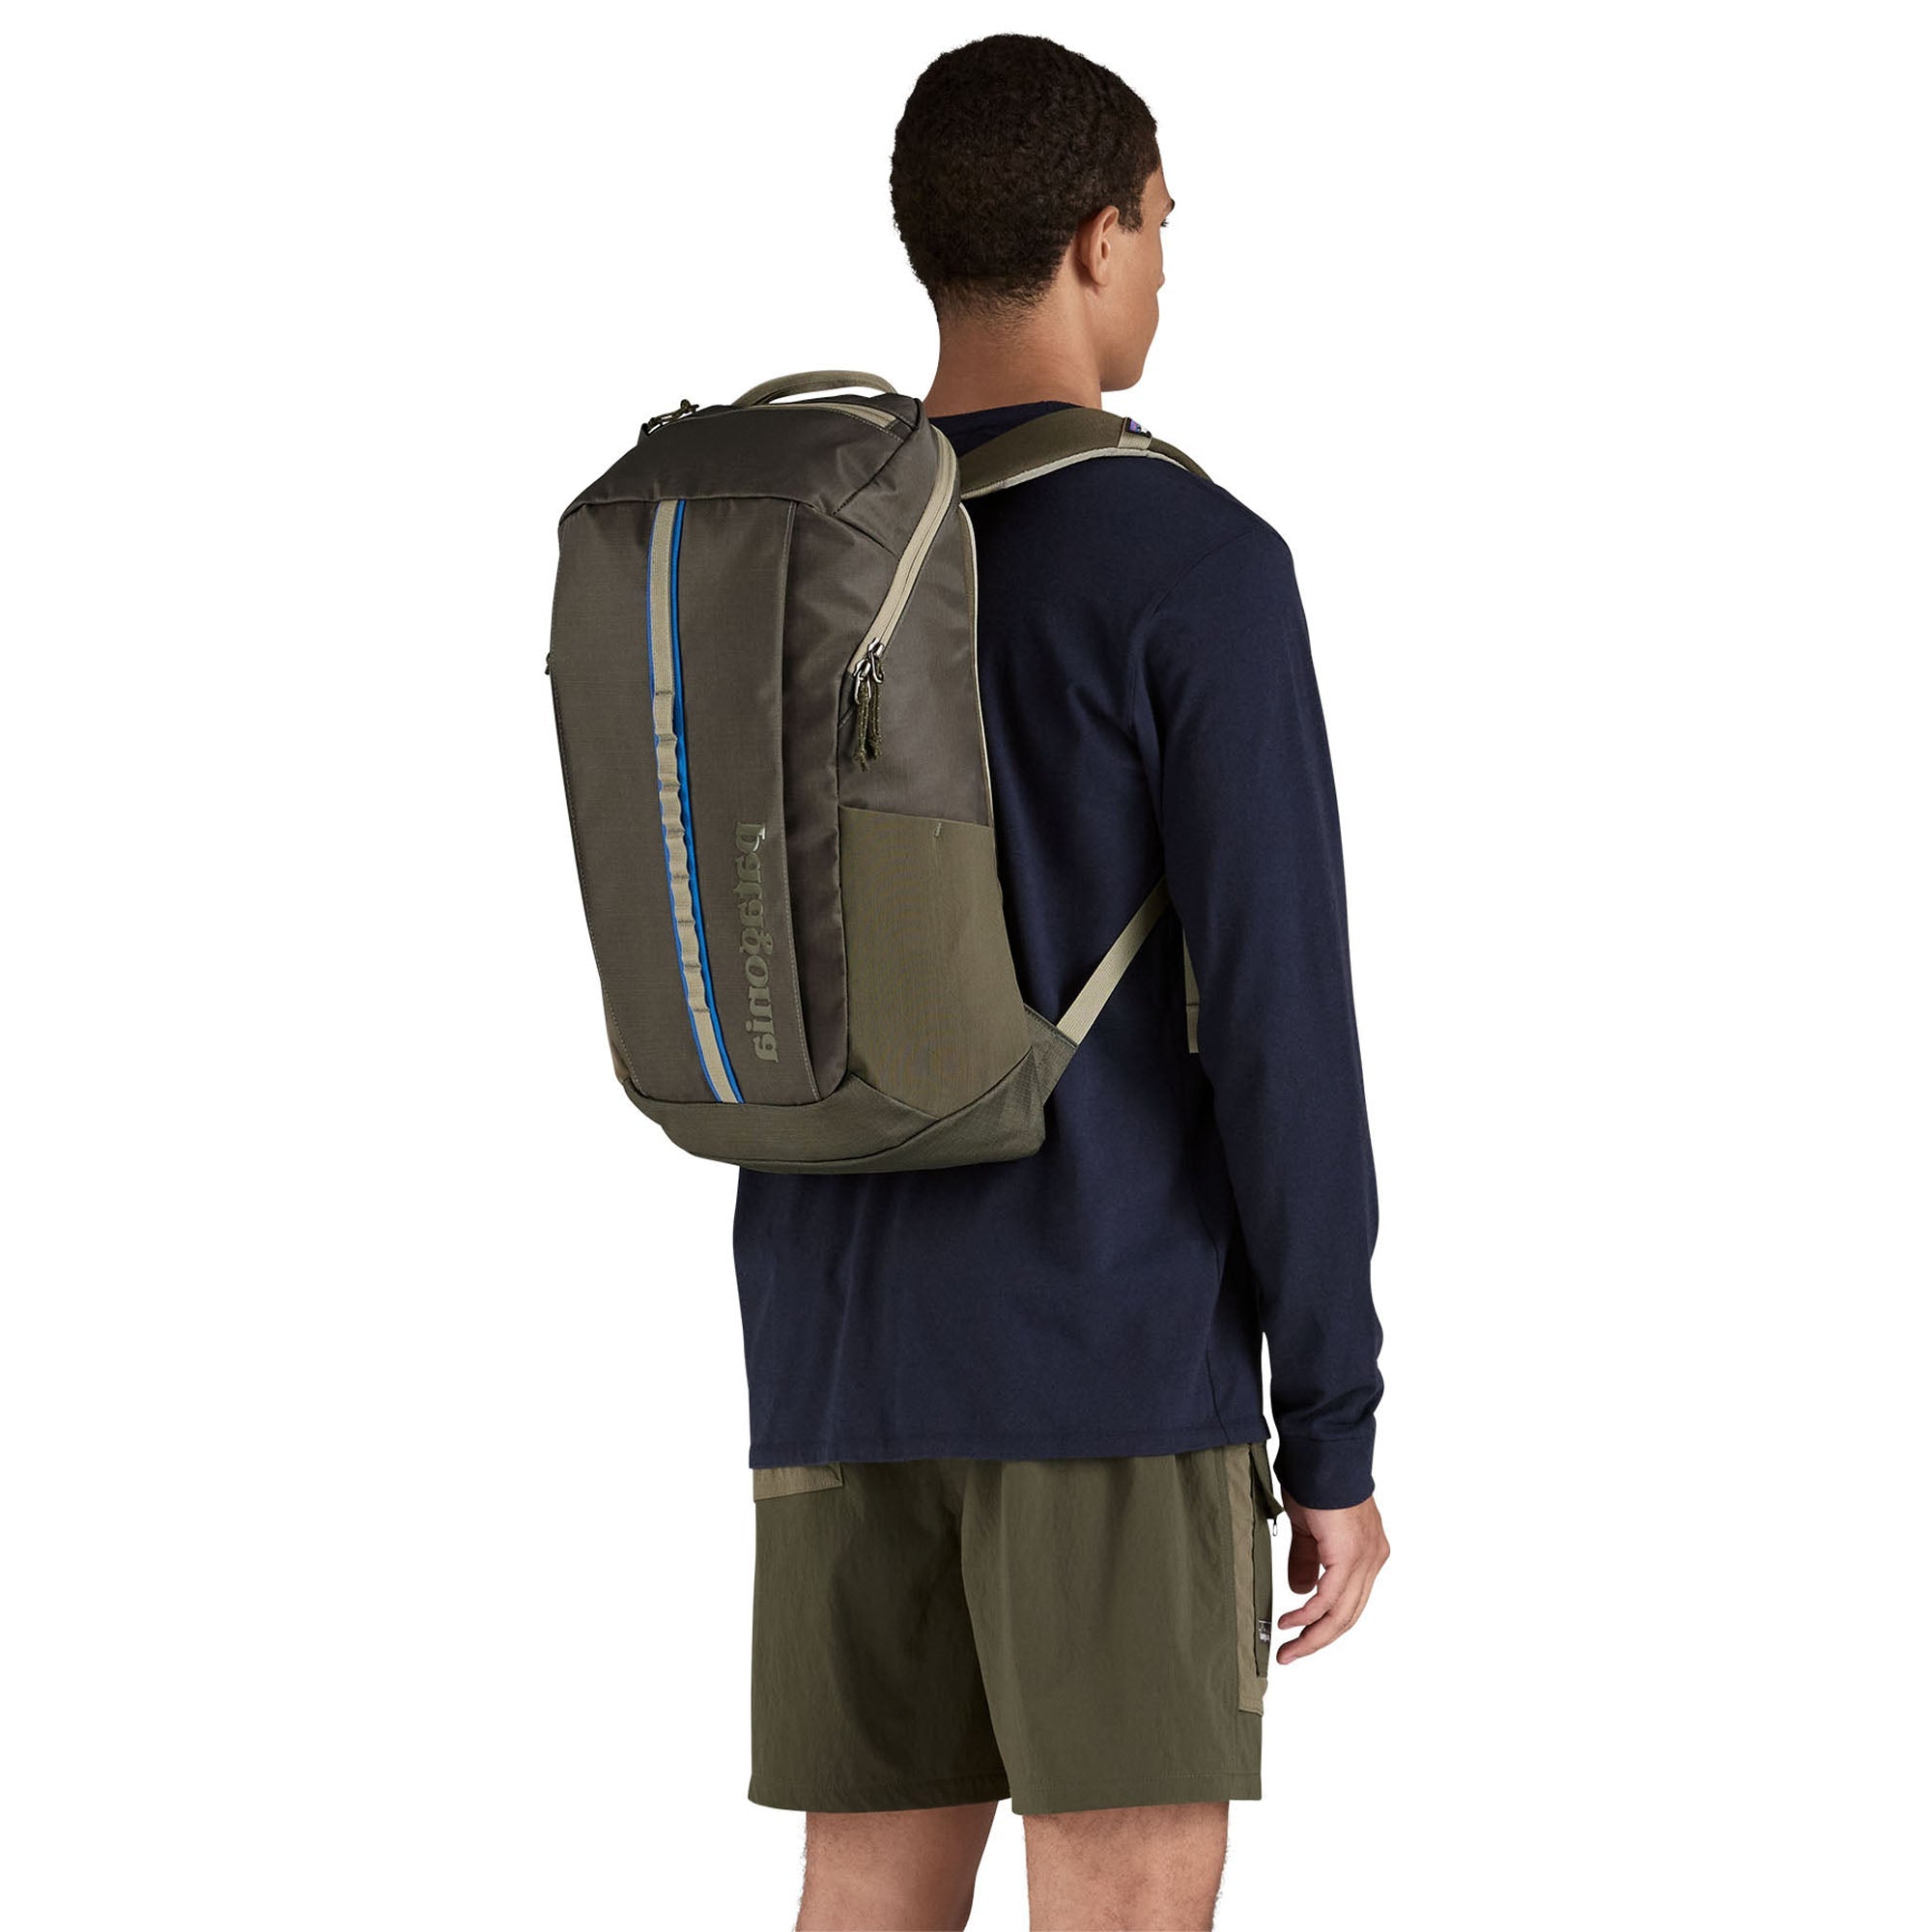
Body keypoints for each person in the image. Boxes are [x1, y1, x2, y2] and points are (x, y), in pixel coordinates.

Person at [735, 35, 1388, 1931]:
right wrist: (1332, 1429)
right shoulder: (1195, 565)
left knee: (865, 1889)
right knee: (1123, 1894)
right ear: (1098, 238)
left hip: (829, 1349)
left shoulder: (793, 562)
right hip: (1110, 1364)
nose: (1166, 268)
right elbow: (1278, 1026)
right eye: (1162, 227)